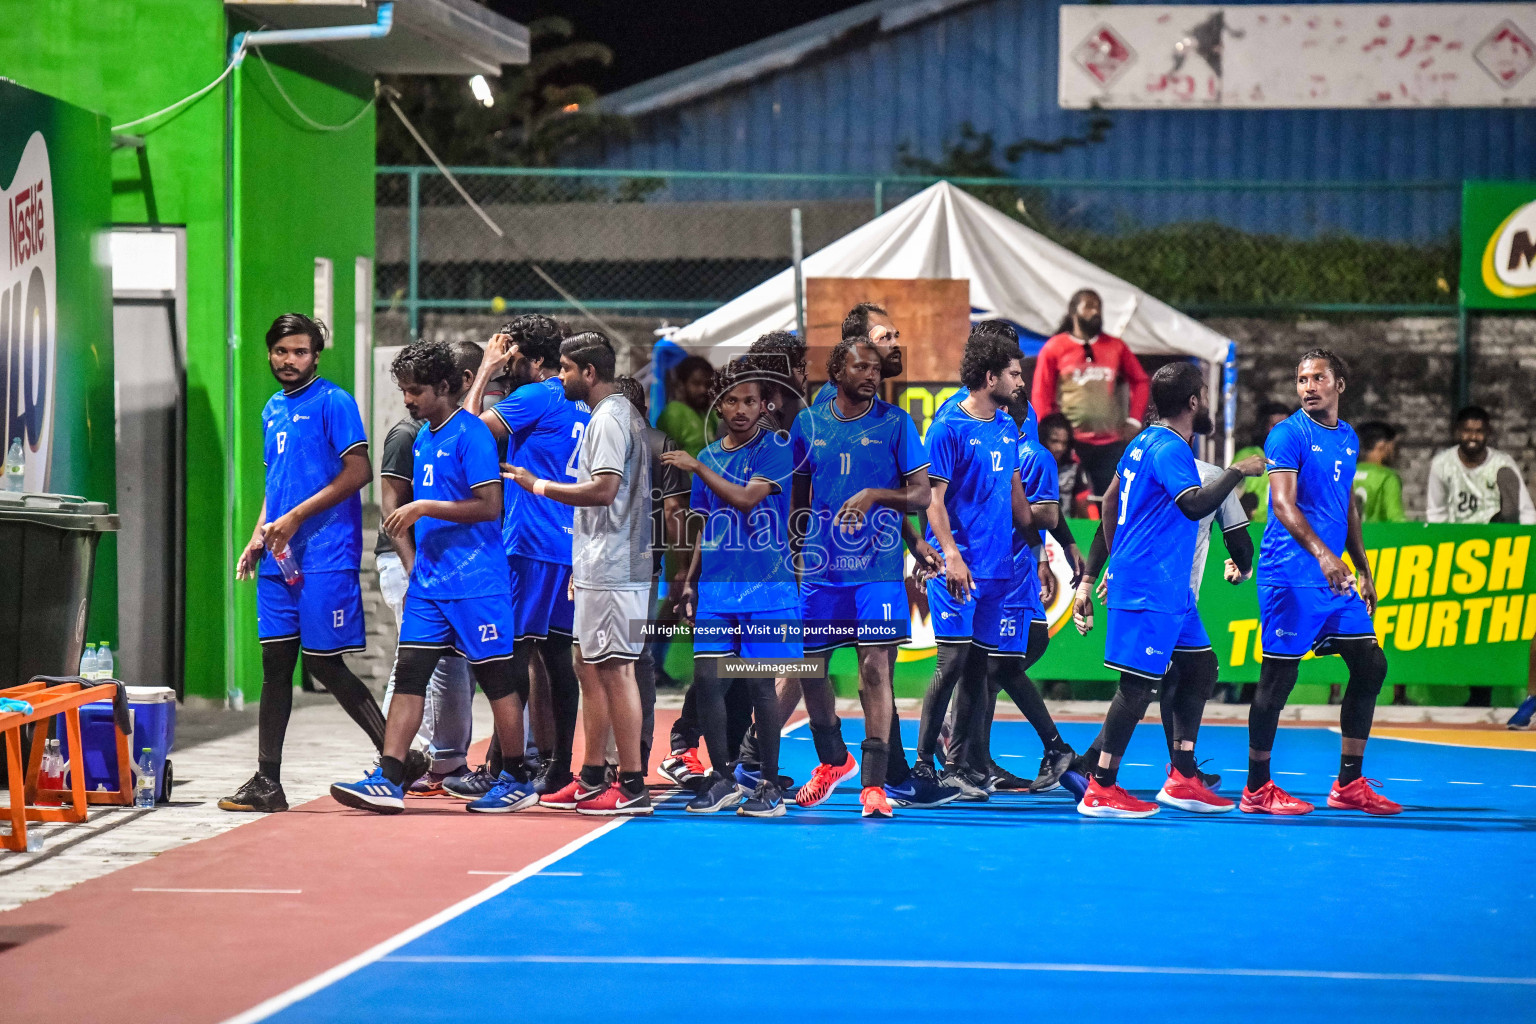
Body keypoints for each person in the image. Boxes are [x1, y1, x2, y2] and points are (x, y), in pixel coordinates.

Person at [330, 341, 533, 815]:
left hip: (477, 584)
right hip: (429, 583)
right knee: (410, 676)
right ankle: (390, 776)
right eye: (403, 390)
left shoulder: (472, 436)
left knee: (498, 680)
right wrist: (414, 558)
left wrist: (423, 507)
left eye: (415, 390)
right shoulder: (423, 436)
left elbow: (489, 506)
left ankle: (518, 777)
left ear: (444, 386)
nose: (407, 399)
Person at [1071, 363, 1263, 818]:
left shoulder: (1143, 442)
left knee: (1200, 668)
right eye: (1205, 396)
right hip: (1150, 586)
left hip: (1170, 588)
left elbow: (1110, 498)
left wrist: (1119, 554)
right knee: (1136, 688)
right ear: (1194, 401)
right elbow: (1194, 504)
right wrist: (1238, 470)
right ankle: (1101, 785)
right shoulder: (1173, 449)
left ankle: (1182, 776)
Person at [222, 314, 388, 814]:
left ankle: (398, 760)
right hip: (278, 558)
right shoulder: (272, 408)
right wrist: (257, 536)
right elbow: (277, 486)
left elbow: (359, 472)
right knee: (276, 666)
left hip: (325, 556)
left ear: (316, 355)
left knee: (322, 663)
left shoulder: (334, 402)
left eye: (298, 352)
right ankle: (267, 783)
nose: (288, 360)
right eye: (280, 352)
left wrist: (293, 519)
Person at [790, 335, 952, 818]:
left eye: (876, 368)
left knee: (874, 671)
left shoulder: (896, 424)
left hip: (877, 570)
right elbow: (798, 497)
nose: (871, 375)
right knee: (808, 668)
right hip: (821, 570)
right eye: (861, 367)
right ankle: (833, 758)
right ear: (836, 372)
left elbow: (922, 495)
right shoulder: (808, 424)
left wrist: (876, 497)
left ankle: (874, 786)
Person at [505, 332, 654, 816]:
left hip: (615, 565)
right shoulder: (607, 417)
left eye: (566, 369)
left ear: (589, 372)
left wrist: (538, 485)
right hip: (597, 563)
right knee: (587, 666)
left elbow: (605, 490)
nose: (560, 376)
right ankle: (591, 776)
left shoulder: (610, 418)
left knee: (615, 669)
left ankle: (631, 784)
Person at [1246, 350, 1398, 816]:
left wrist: (1363, 567)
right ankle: (1257, 788)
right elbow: (1283, 505)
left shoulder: (1348, 436)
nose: (1308, 386)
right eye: (1301, 379)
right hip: (1291, 574)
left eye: (1317, 377)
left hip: (1334, 577)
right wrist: (1325, 556)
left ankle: (1349, 784)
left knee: (1371, 665)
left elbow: (1347, 504)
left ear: (1340, 385)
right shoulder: (1288, 434)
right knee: (1278, 679)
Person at [454, 314, 588, 802]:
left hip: (530, 544)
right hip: (570, 545)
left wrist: (485, 371)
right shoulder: (579, 400)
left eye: (511, 357)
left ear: (532, 360)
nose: (507, 366)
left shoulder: (536, 395)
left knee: (506, 656)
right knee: (556, 658)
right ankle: (558, 770)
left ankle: (505, 771)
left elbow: (464, 435)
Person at [663, 361, 797, 816]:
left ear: (764, 405)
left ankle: (769, 786)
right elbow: (704, 524)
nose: (741, 409)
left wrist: (697, 468)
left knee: (762, 686)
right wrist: (689, 580)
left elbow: (744, 498)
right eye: (733, 400)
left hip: (767, 589)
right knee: (707, 680)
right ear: (720, 404)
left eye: (750, 401)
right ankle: (723, 779)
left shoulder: (775, 448)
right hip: (718, 590)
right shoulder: (710, 454)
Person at [916, 325, 1036, 800]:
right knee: (951, 661)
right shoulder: (947, 427)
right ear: (989, 377)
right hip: (957, 569)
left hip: (998, 570)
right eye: (1013, 373)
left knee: (979, 667)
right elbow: (932, 500)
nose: (1020, 381)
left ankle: (961, 766)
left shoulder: (1007, 428)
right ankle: (923, 764)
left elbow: (1016, 500)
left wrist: (1047, 551)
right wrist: (950, 556)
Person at [947, 370, 1076, 793]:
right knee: (985, 672)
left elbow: (1046, 515)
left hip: (1014, 583)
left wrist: (1048, 551)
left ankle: (1053, 747)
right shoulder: (1004, 450)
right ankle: (977, 761)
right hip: (1001, 577)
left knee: (996, 668)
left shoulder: (1031, 455)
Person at [373, 341, 483, 795]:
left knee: (451, 667)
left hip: (446, 568)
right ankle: (404, 759)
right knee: (417, 666)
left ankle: (444, 762)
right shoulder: (407, 434)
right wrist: (413, 567)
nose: (407, 399)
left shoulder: (456, 431)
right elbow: (392, 510)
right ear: (454, 381)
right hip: (411, 565)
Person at [615, 374, 689, 772]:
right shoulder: (663, 445)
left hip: (601, 569)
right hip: (647, 568)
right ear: (644, 409)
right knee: (636, 660)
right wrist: (681, 572)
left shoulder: (598, 440)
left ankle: (609, 760)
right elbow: (676, 515)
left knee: (602, 664)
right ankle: (637, 754)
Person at [1029, 289, 1149, 496]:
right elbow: (1041, 394)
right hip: (1071, 443)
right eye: (1089, 306)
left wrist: (1134, 421)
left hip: (1111, 444)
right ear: (1074, 312)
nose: (1096, 312)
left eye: (1099, 307)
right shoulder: (1055, 347)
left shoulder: (1116, 346)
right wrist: (1048, 437)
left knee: (1110, 499)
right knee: (1071, 499)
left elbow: (1141, 381)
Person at [1426, 405, 1536, 525]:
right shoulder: (1441, 464)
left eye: (1479, 431)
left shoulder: (1503, 464)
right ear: (1458, 431)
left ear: (1488, 432)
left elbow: (1525, 510)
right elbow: (1436, 512)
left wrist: (1529, 538)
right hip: (1457, 537)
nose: (1473, 437)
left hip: (1494, 537)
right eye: (1467, 431)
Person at [1234, 401, 1293, 522]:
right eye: (1275, 425)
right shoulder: (1248, 455)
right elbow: (1227, 495)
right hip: (1252, 530)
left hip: (1285, 533)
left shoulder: (1299, 460)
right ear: (1264, 426)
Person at [656, 355, 714, 457]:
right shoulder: (674, 414)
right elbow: (663, 459)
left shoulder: (707, 414)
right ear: (681, 384)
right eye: (696, 383)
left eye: (707, 384)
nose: (703, 390)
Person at [1040, 412, 1093, 519]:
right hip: (1035, 529)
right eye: (1054, 441)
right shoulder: (1028, 466)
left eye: (1064, 443)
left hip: (1066, 529)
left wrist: (1092, 529)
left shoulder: (1074, 469)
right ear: (1043, 440)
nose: (1060, 448)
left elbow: (1083, 503)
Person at [1353, 421, 1405, 523]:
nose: (1396, 453)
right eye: (1394, 447)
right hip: (1374, 538)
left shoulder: (1342, 474)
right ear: (1382, 446)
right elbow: (1396, 521)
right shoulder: (1387, 477)